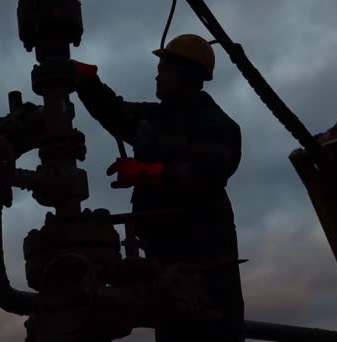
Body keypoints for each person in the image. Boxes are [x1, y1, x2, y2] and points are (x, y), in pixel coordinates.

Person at [72, 34, 245, 341]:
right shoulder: (156, 119)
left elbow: (210, 172)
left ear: (188, 75)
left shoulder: (217, 125)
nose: (157, 74)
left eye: (165, 68)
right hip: (163, 256)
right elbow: (117, 113)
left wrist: (149, 172)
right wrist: (88, 82)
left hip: (205, 263)